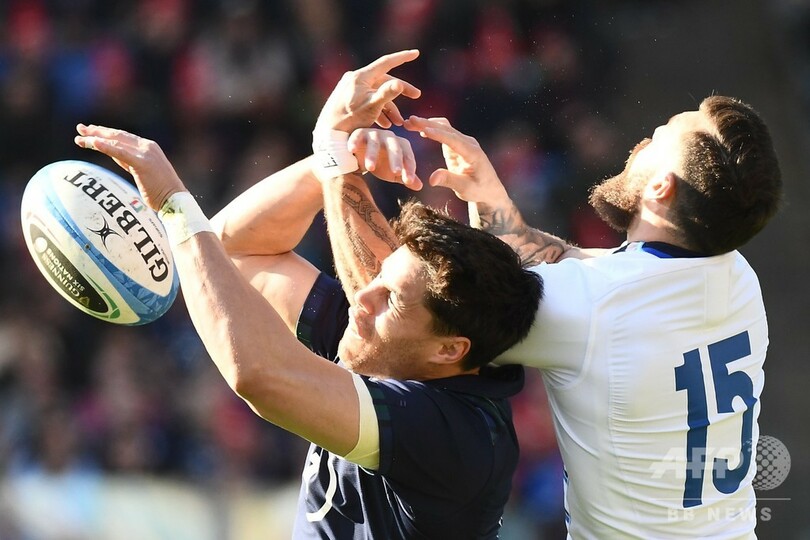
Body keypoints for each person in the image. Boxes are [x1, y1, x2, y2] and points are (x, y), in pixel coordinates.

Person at [73, 50, 543, 539]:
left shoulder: (455, 439)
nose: (364, 297)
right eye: (382, 278)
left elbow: (261, 376)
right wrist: (330, 157)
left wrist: (174, 205)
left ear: (450, 350)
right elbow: (238, 254)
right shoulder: (397, 340)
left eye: (391, 298)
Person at [327, 95, 782, 538]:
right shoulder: (737, 276)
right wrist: (489, 196)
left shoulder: (593, 306)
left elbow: (394, 315)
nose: (643, 141)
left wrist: (333, 153)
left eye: (659, 137)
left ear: (662, 187)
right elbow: (578, 268)